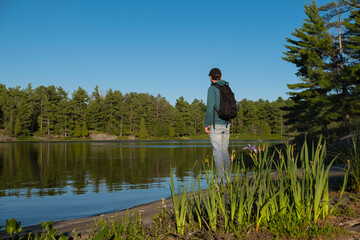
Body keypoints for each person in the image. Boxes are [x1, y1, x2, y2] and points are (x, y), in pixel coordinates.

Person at [204, 67, 231, 184]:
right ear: (220, 76)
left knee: (217, 152)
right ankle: (228, 179)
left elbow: (210, 108)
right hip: (227, 124)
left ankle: (220, 180)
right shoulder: (226, 87)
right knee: (225, 151)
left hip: (216, 124)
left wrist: (206, 124)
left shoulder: (212, 89)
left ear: (210, 77)